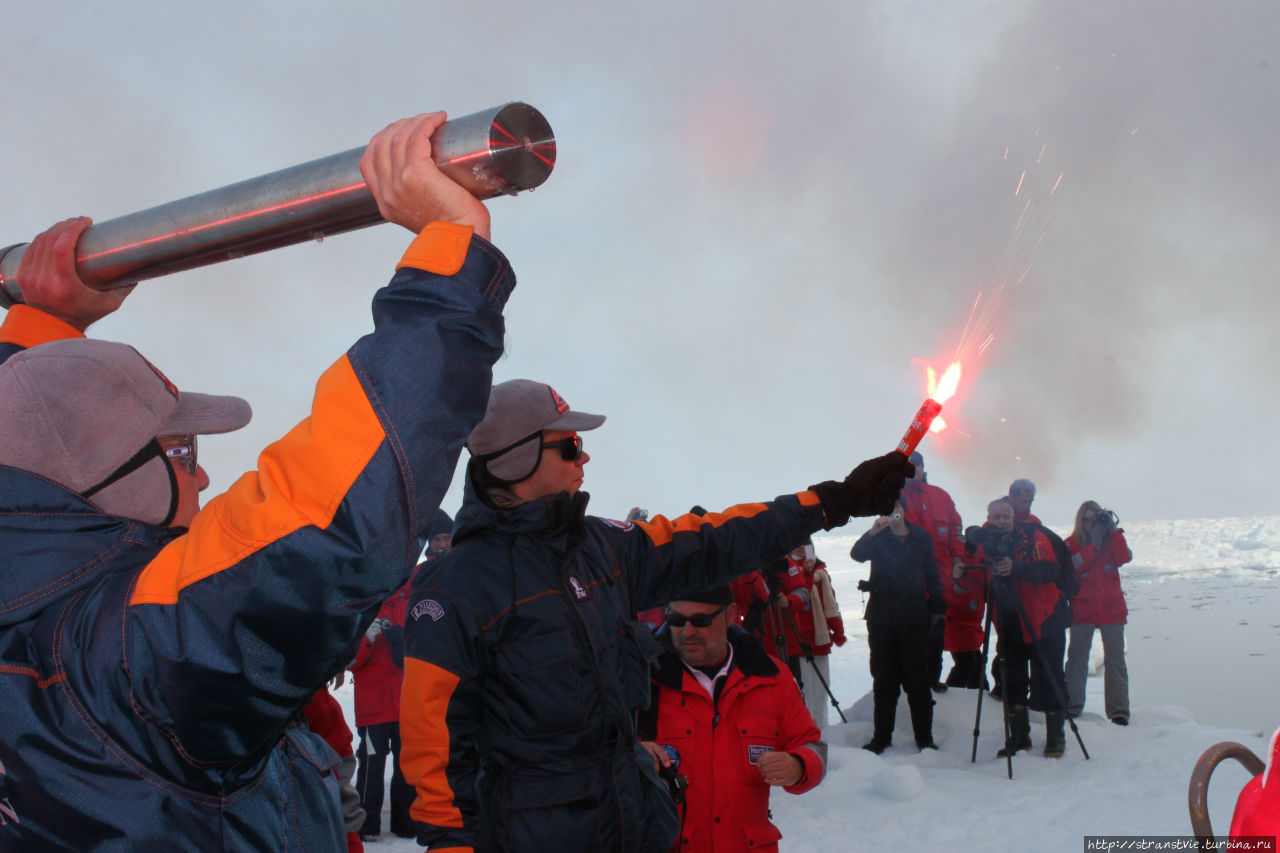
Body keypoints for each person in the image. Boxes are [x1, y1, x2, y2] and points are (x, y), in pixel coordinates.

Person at [0, 112, 514, 850]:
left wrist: (37, 325)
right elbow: (332, 521)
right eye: (178, 451)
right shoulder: (132, 652)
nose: (203, 470)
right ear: (109, 479)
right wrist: (450, 251)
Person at [399, 377, 911, 852]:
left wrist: (832, 501)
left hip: (629, 823)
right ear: (516, 460)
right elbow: (436, 751)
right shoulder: (454, 591)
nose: (585, 457)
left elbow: (713, 538)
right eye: (570, 446)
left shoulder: (601, 547)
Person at [637, 587, 827, 853]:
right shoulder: (641, 679)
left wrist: (798, 766)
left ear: (731, 616)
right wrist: (633, 756)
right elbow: (594, 756)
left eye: (701, 621)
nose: (687, 632)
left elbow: (813, 747)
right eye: (676, 620)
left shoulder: (771, 677)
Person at [972, 498, 1070, 758]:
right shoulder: (986, 542)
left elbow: (1050, 570)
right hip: (1008, 620)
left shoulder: (1033, 536)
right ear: (989, 518)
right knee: (1012, 678)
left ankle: (1056, 737)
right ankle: (1018, 737)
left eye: (1006, 516)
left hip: (1045, 617)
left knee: (1050, 676)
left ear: (1014, 517)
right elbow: (974, 569)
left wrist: (1017, 569)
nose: (1001, 521)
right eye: (996, 517)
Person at [850, 498, 946, 753]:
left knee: (918, 681)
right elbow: (857, 555)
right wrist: (872, 532)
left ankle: (924, 738)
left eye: (895, 510)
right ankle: (881, 737)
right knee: (884, 680)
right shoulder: (877, 538)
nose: (891, 515)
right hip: (881, 618)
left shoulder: (921, 537)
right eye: (886, 511)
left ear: (904, 511)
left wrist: (938, 609)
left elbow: (932, 573)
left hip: (914, 617)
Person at [899, 451, 965, 692]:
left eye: (916, 466)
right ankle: (911, 683)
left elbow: (957, 531)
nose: (912, 470)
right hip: (908, 586)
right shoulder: (893, 499)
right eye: (907, 467)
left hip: (940, 584)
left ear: (922, 468)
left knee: (936, 635)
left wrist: (958, 559)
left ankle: (933, 680)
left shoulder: (941, 496)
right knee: (911, 638)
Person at [1064, 501, 1133, 724]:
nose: (1090, 524)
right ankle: (1072, 705)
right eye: (1086, 519)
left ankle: (1119, 711)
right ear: (1079, 521)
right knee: (1077, 659)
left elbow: (1124, 557)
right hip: (1083, 609)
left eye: (1095, 519)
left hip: (1111, 609)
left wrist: (1113, 531)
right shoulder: (1071, 544)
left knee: (1116, 661)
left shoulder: (1112, 541)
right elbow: (1073, 566)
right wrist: (1093, 545)